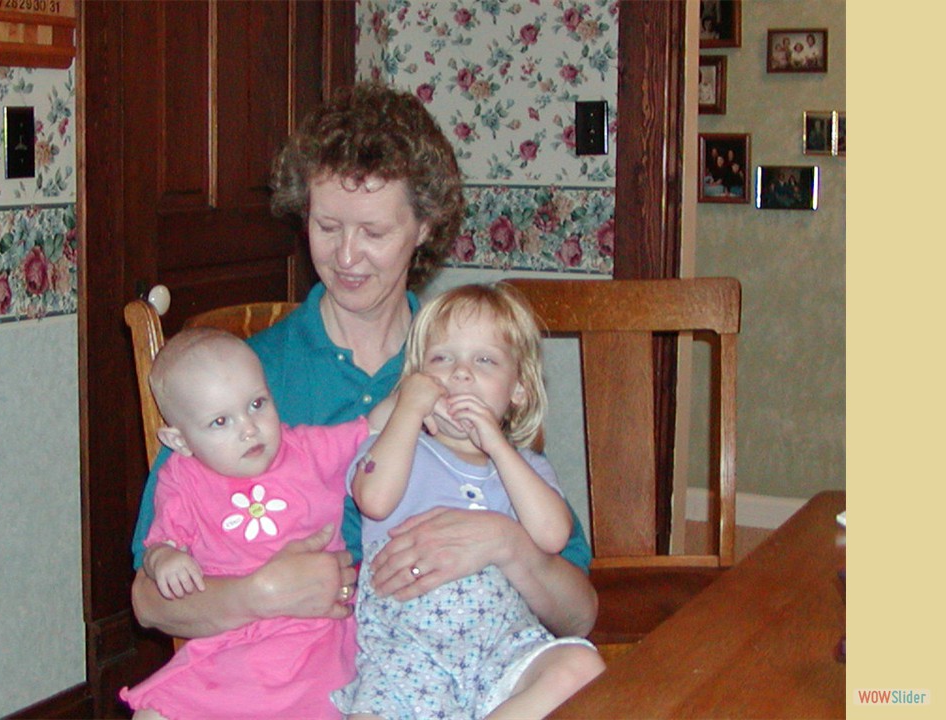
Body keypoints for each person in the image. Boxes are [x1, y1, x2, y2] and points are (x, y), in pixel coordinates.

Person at [128, 80, 597, 706]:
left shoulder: (470, 370)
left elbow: (578, 613)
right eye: (326, 226)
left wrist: (506, 546)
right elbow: (149, 601)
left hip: (463, 669)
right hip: (295, 675)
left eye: (373, 231)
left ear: (424, 226)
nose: (346, 256)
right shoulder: (249, 379)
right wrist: (263, 593)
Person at [332, 284, 604, 719]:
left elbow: (553, 535)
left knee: (581, 665)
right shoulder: (400, 446)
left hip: (504, 646)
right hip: (408, 656)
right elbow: (376, 500)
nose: (460, 373)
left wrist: (498, 446)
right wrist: (407, 408)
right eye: (441, 359)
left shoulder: (525, 467)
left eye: (485, 361)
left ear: (518, 390)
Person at [120, 328, 372, 718]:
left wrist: (415, 399)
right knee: (154, 713)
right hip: (231, 642)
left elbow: (370, 428)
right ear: (180, 441)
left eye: (257, 404)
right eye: (221, 421)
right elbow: (159, 547)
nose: (248, 428)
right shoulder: (183, 478)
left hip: (315, 636)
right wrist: (165, 559)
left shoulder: (304, 449)